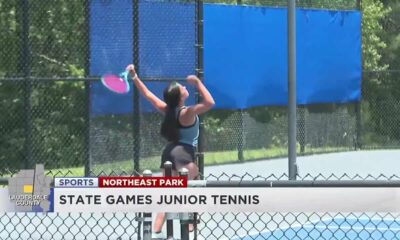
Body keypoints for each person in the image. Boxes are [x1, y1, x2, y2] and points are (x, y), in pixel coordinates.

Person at [126, 64, 215, 235]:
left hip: (168, 153)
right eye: (181, 87)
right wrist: (197, 83)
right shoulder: (187, 113)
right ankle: (189, 225)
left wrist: (134, 76)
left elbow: (147, 94)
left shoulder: (167, 110)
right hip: (183, 155)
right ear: (180, 97)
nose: (184, 86)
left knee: (167, 198)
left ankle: (156, 233)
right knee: (192, 190)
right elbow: (210, 102)